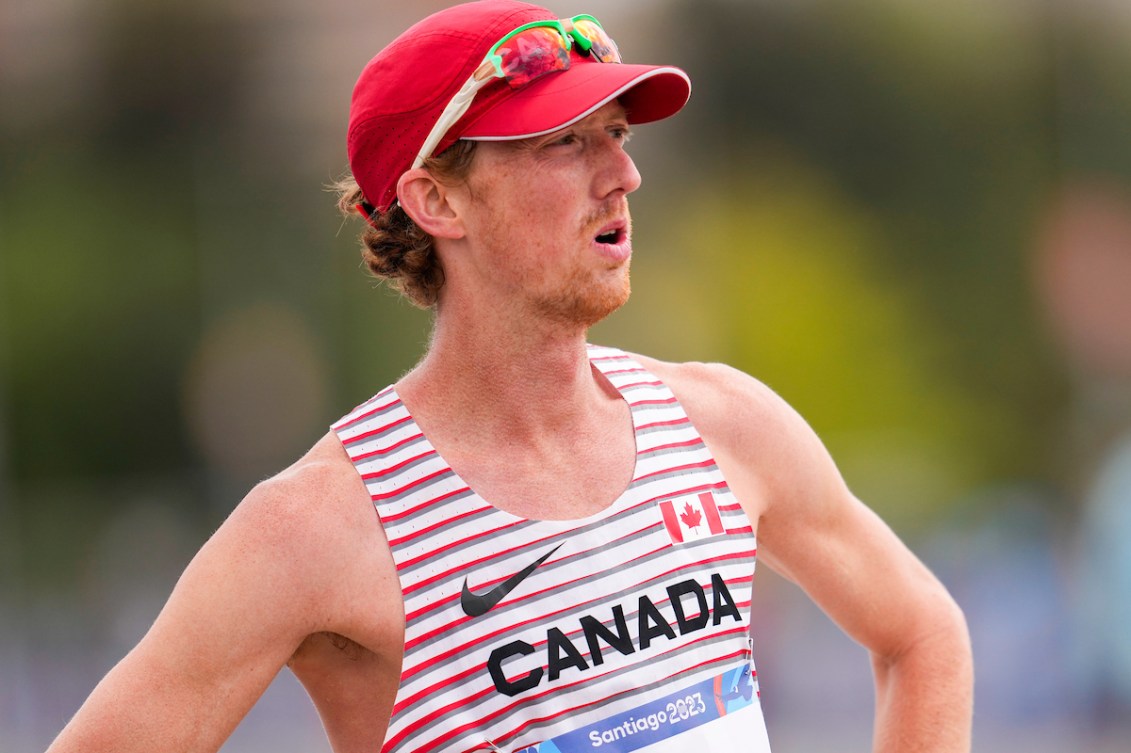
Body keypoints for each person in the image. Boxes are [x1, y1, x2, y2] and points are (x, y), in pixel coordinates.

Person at [46, 2, 973, 752]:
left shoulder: (724, 424)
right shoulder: (316, 527)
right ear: (436, 198)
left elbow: (925, 636)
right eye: (563, 142)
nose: (623, 174)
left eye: (616, 132)